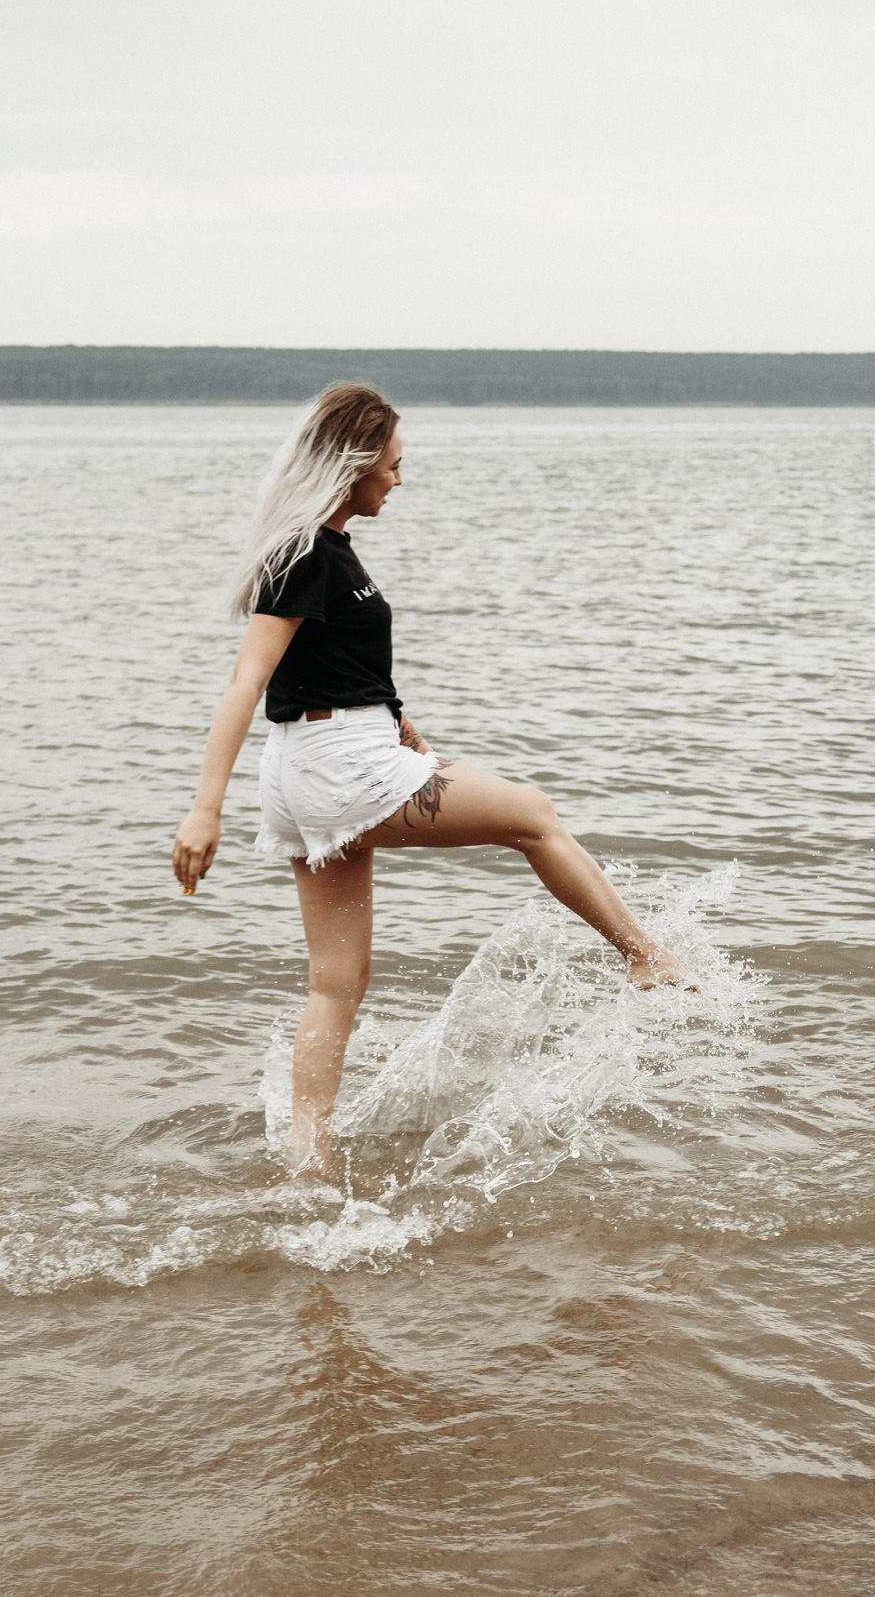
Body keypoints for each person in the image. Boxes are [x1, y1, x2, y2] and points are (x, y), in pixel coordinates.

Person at [171, 383, 693, 1180]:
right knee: (534, 815)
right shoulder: (307, 552)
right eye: (394, 464)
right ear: (355, 463)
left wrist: (405, 729)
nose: (400, 480)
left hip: (322, 761)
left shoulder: (325, 550)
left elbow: (337, 670)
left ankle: (310, 1161)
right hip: (339, 766)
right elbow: (246, 681)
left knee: (337, 983)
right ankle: (645, 955)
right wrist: (203, 809)